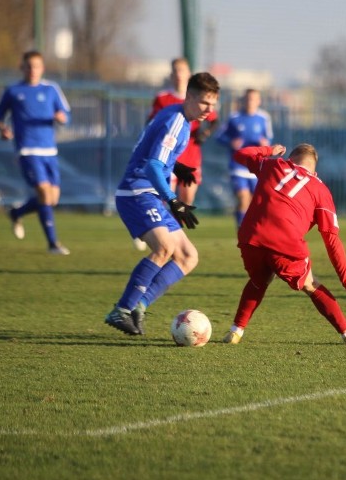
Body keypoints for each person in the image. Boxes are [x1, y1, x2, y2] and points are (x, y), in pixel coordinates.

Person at [104, 72, 220, 335]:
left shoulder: (177, 116)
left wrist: (178, 166)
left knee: (189, 257)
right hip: (137, 192)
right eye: (204, 103)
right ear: (189, 97)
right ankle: (121, 310)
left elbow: (153, 151)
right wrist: (173, 200)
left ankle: (139, 306)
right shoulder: (176, 122)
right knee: (164, 247)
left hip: (149, 193)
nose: (209, 110)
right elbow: (154, 165)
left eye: (213, 105)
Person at [222, 143, 346, 346]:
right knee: (311, 284)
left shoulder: (272, 165)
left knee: (259, 279)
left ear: (290, 160)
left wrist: (268, 150)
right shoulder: (321, 190)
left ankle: (235, 331)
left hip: (250, 238)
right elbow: (331, 239)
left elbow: (240, 154)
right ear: (314, 171)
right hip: (284, 245)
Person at [0, 50, 72, 255]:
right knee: (44, 194)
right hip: (27, 150)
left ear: (42, 68)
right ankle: (53, 244)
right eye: (28, 66)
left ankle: (16, 213)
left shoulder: (51, 89)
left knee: (52, 199)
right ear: (22, 68)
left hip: (50, 150)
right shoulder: (13, 91)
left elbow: (66, 114)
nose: (32, 70)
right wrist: (3, 129)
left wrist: (62, 118)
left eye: (36, 66)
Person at [147, 57, 219, 206]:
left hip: (191, 155)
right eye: (175, 71)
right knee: (166, 199)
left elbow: (214, 120)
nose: (179, 75)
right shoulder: (163, 98)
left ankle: (174, 228)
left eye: (182, 70)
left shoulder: (200, 99)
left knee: (186, 202)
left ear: (189, 74)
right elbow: (151, 123)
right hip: (168, 155)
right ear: (171, 75)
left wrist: (205, 133)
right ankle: (164, 228)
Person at [215, 89, 273, 229]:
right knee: (243, 198)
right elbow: (219, 136)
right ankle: (241, 231)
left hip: (257, 166)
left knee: (255, 202)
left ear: (258, 101)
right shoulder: (234, 117)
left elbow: (269, 138)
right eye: (247, 99)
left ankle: (251, 229)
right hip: (238, 165)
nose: (250, 102)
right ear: (242, 100)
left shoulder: (264, 117)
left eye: (253, 99)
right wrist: (230, 142)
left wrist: (265, 143)